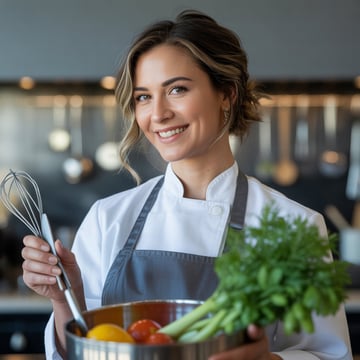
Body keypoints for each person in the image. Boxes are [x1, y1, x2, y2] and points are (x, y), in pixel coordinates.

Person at [21, 9, 352, 360]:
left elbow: (330, 356)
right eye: (143, 96)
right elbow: (78, 352)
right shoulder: (107, 219)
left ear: (227, 94)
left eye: (177, 89)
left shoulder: (294, 225)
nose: (158, 113)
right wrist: (63, 299)